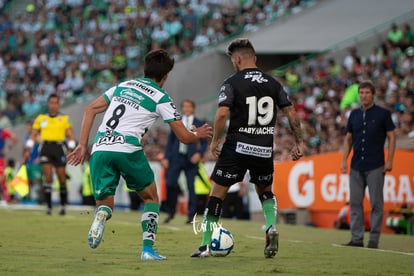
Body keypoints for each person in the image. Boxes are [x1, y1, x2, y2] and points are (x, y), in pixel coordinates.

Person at [66, 49, 212, 261]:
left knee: (106, 204)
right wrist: (197, 133)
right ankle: (147, 249)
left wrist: (81, 145)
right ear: (165, 76)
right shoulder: (161, 97)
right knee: (151, 198)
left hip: (100, 148)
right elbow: (184, 137)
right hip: (127, 148)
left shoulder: (123, 85)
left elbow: (90, 109)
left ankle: (101, 216)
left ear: (145, 69)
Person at [190, 38, 304, 258]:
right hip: (263, 148)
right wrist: (299, 141)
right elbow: (291, 113)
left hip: (237, 146)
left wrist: (215, 142)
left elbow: (222, 113)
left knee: (217, 194)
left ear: (239, 59)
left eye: (233, 60)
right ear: (256, 58)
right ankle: (271, 225)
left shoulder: (232, 82)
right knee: (265, 192)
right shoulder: (273, 83)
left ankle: (205, 244)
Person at [341, 81, 396, 249]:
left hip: (376, 165)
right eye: (361, 93)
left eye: (366, 92)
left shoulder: (383, 114)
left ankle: (373, 241)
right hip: (356, 165)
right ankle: (357, 239)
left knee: (376, 204)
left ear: (373, 95)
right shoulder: (354, 115)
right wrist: (344, 160)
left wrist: (389, 161)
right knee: (355, 203)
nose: (363, 95)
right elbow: (348, 139)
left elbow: (392, 137)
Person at [25, 94, 76, 215]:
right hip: (46, 148)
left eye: (56, 103)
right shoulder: (41, 118)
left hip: (59, 148)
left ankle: (63, 206)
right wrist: (28, 148)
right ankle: (49, 207)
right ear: (48, 104)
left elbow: (70, 135)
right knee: (48, 177)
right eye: (51, 102)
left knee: (62, 178)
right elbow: (33, 134)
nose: (53, 105)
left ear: (59, 104)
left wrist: (71, 148)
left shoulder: (65, 118)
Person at [161, 99, 208, 224]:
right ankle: (170, 212)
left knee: (191, 187)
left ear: (193, 108)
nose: (186, 109)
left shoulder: (199, 122)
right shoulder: (178, 122)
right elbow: (170, 141)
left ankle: (191, 215)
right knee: (170, 183)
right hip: (176, 157)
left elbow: (204, 141)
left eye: (189, 107)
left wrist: (200, 153)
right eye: (184, 106)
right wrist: (166, 157)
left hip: (191, 159)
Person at [0, 127, 17, 205]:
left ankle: (7, 198)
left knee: (2, 178)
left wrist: (8, 148)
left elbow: (14, 138)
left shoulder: (2, 131)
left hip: (0, 158)